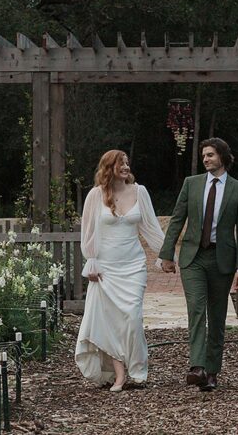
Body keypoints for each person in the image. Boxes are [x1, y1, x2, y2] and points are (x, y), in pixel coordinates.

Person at [160, 137, 238, 392]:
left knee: (217, 315)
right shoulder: (191, 184)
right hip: (193, 257)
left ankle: (211, 372)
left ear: (222, 156)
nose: (206, 159)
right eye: (203, 156)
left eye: (210, 155)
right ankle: (197, 367)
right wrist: (167, 254)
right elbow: (177, 219)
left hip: (222, 260)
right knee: (197, 309)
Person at [75, 150, 167, 391]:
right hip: (106, 268)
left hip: (133, 265)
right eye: (121, 163)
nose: (126, 166)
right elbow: (88, 231)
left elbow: (151, 227)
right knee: (109, 322)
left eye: (127, 163)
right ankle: (119, 374)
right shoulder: (96, 195)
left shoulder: (140, 192)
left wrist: (167, 255)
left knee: (132, 318)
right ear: (109, 167)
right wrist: (91, 261)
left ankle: (137, 369)